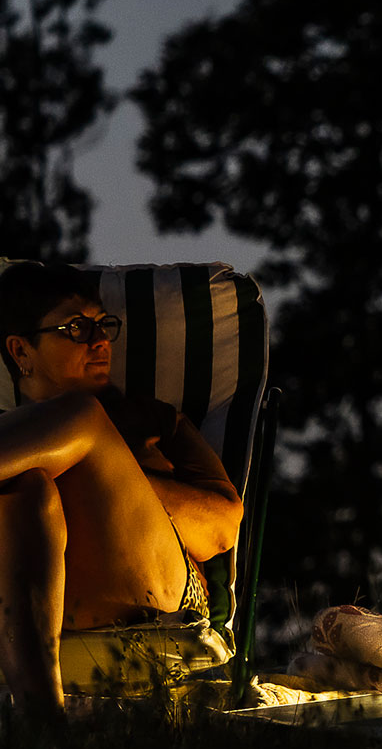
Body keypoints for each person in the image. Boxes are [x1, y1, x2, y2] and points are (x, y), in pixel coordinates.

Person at [0, 262, 242, 718]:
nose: (100, 341)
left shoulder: (153, 420)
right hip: (28, 595)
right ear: (21, 350)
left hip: (153, 595)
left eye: (102, 325)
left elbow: (222, 528)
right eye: (76, 327)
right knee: (27, 487)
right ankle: (42, 724)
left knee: (83, 418)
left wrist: (102, 464)